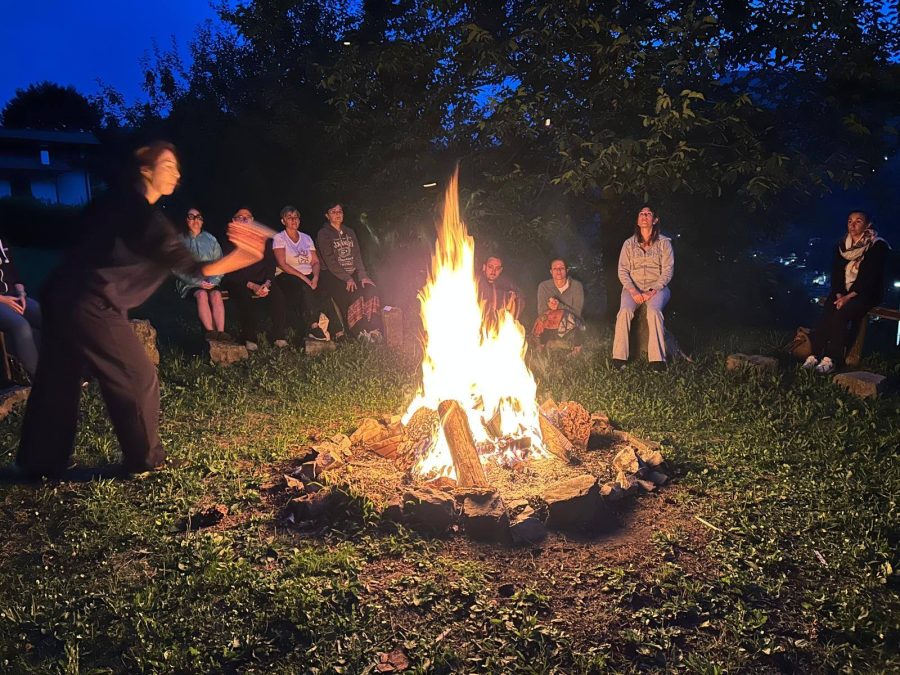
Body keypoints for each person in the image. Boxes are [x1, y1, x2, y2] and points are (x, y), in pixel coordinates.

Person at [15, 142, 270, 478]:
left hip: (63, 297)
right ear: (145, 170)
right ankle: (145, 460)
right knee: (137, 375)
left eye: (177, 167)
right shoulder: (142, 216)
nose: (176, 173)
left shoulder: (114, 205)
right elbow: (195, 269)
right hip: (91, 302)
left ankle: (39, 465)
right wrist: (245, 255)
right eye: (167, 165)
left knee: (59, 382)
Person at [802, 210, 889, 374]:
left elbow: (870, 277)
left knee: (841, 314)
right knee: (828, 310)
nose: (853, 225)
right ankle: (814, 354)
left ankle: (831, 358)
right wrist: (839, 294)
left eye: (858, 221)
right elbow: (836, 273)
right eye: (850, 221)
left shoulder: (877, 245)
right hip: (844, 292)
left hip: (865, 293)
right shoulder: (842, 245)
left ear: (867, 225)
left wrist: (848, 297)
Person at [612, 206, 674, 371]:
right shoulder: (628, 244)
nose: (644, 216)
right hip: (633, 288)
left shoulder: (664, 243)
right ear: (638, 220)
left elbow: (668, 271)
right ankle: (619, 359)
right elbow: (622, 270)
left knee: (654, 312)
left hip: (657, 289)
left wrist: (652, 291)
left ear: (655, 220)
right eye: (641, 214)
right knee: (624, 311)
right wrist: (633, 290)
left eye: (648, 214)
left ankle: (657, 361)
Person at [223, 208, 289, 351]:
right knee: (244, 297)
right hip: (240, 282)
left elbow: (271, 264)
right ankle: (250, 338)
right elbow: (230, 271)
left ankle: (279, 337)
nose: (245, 220)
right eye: (240, 217)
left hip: (262, 281)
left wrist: (267, 283)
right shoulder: (230, 241)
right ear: (234, 221)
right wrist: (252, 286)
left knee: (278, 296)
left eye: (247, 217)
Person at [316, 201, 383, 341]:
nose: (337, 214)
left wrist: (363, 275)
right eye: (333, 212)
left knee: (371, 289)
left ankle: (374, 328)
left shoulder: (350, 232)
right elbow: (330, 261)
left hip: (351, 272)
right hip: (332, 274)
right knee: (354, 293)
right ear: (327, 215)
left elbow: (357, 255)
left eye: (339, 211)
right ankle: (360, 331)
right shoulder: (324, 234)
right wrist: (347, 278)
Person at [272, 206, 329, 341]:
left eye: (296, 217)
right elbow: (282, 264)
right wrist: (304, 278)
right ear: (283, 221)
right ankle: (313, 327)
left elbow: (315, 262)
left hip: (308, 275)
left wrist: (315, 277)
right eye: (289, 217)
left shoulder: (306, 238)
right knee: (304, 288)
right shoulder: (279, 238)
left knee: (326, 290)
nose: (293, 220)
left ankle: (338, 331)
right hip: (288, 275)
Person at [174, 207, 228, 339]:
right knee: (202, 294)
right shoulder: (180, 240)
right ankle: (210, 332)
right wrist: (198, 282)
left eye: (198, 217)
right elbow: (176, 268)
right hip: (190, 284)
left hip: (210, 282)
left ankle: (221, 333)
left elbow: (220, 263)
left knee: (216, 294)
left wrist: (214, 281)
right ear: (186, 220)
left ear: (202, 221)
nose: (195, 220)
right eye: (191, 217)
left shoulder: (211, 240)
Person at [0, 238, 42, 379]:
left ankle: (68, 369)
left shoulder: (2, 241)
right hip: (1, 299)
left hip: (12, 295)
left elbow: (12, 272)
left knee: (44, 315)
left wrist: (21, 293)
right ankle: (40, 381)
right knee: (20, 325)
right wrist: (3, 299)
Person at [477, 254, 523, 324]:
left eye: (497, 268)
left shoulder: (507, 283)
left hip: (498, 324)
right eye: (490, 267)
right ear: (484, 267)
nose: (493, 271)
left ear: (501, 270)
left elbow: (520, 297)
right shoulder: (475, 281)